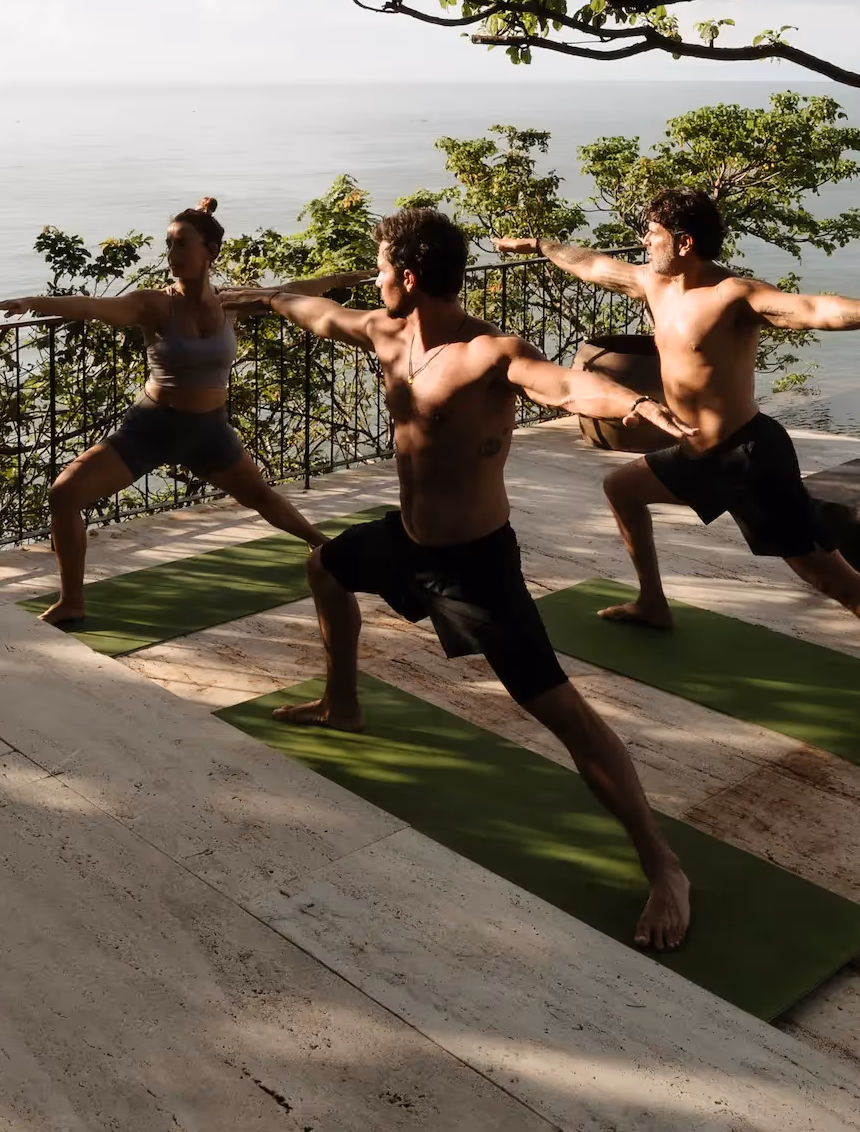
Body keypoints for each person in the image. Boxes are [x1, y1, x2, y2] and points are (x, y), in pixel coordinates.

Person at [230, 207, 696, 951]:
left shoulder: (489, 353)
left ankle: (663, 866)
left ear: (409, 278)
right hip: (408, 540)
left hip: (477, 565)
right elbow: (314, 311)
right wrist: (260, 297)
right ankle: (341, 703)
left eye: (380, 267)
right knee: (323, 567)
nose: (374, 278)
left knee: (564, 717)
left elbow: (568, 387)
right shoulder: (386, 334)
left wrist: (638, 403)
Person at [496, 189, 860, 738]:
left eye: (653, 232)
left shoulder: (732, 295)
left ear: (686, 242)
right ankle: (653, 603)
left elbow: (812, 309)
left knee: (834, 579)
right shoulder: (654, 283)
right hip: (698, 450)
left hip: (750, 456)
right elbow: (592, 266)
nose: (644, 240)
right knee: (622, 488)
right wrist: (539, 243)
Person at [0, 198, 364, 630]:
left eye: (182, 244)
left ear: (211, 251)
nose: (172, 254)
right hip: (152, 427)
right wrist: (31, 302)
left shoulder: (232, 302)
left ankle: (334, 551)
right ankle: (72, 601)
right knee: (64, 494)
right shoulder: (154, 305)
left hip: (208, 431)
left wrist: (343, 278)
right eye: (169, 244)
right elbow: (90, 306)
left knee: (262, 498)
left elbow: (296, 289)